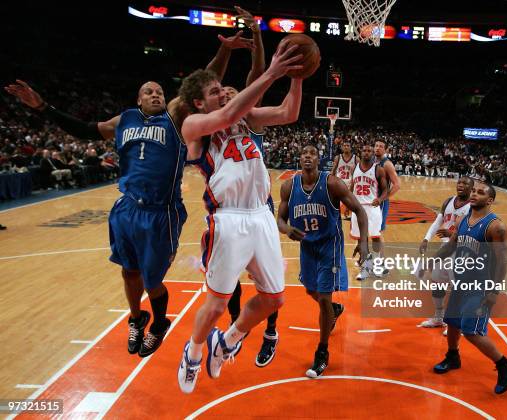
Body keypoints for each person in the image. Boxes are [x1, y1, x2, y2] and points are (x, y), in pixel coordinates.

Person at [4, 33, 253, 358]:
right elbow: (83, 129)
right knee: (128, 271)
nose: (155, 94)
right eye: (148, 91)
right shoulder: (125, 120)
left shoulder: (176, 119)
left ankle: (160, 323)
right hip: (125, 209)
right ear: (138, 99)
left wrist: (225, 49)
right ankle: (137, 319)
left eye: (159, 92)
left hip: (160, 212)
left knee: (153, 280)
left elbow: (201, 84)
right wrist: (42, 107)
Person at [176, 42, 303, 393]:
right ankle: (194, 351)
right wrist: (272, 73)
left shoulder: (246, 118)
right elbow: (226, 116)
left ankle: (229, 340)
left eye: (222, 88)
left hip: (260, 214)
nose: (222, 91)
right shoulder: (194, 124)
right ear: (199, 102)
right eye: (214, 91)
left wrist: (297, 77)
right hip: (228, 219)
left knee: (275, 298)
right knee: (216, 304)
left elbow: (289, 113)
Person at [221, 8, 281, 368]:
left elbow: (257, 73)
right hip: (226, 212)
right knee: (228, 280)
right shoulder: (210, 127)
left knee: (267, 281)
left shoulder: (250, 119)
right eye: (225, 92)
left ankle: (270, 331)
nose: (232, 94)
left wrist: (257, 33)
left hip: (258, 209)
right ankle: (235, 330)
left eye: (236, 91)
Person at [278, 144, 368, 377]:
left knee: (324, 299)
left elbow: (359, 210)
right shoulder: (289, 186)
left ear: (319, 160)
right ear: (299, 159)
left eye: (312, 154)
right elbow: (279, 219)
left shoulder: (332, 183)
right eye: (304, 154)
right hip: (307, 248)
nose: (307, 157)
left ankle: (322, 351)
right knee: (311, 292)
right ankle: (335, 309)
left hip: (330, 246)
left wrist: (364, 242)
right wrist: (287, 229)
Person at [424, 181, 507, 394]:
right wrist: (432, 260)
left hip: (480, 286)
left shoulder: (496, 227)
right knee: (452, 322)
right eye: (474, 191)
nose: (475, 194)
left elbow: (502, 262)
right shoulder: (464, 219)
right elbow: (452, 245)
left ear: (490, 200)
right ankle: (453, 356)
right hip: (461, 280)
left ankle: (505, 364)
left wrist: (494, 291)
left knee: (472, 331)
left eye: (480, 192)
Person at [418, 176, 473, 333]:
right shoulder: (449, 201)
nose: (461, 185)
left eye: (465, 184)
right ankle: (439, 317)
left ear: (471, 189)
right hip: (446, 248)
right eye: (459, 183)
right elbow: (437, 222)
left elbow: (472, 230)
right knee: (437, 283)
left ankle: (455, 323)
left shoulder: (472, 207)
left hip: (462, 250)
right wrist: (426, 239)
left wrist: (451, 232)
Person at [350, 144, 388, 280]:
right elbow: (352, 187)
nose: (366, 153)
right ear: (360, 152)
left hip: (372, 208)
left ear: (373, 154)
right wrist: (348, 204)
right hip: (358, 208)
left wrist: (380, 199)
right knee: (361, 240)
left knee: (375, 237)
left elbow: (385, 190)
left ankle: (377, 265)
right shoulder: (355, 168)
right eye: (364, 150)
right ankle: (366, 268)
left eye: (369, 151)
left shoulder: (379, 170)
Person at [331, 140, 359, 220]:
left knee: (351, 202)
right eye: (344, 145)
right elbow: (333, 170)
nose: (346, 147)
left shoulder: (356, 159)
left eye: (348, 146)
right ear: (342, 147)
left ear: (350, 148)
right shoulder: (338, 157)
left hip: (351, 184)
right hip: (339, 183)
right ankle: (335, 216)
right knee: (335, 202)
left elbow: (359, 173)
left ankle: (350, 215)